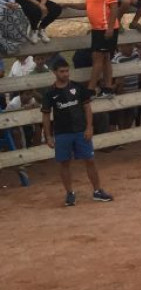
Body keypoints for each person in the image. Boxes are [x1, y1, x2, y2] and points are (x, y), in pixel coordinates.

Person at [43, 59, 113, 206]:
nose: (65, 74)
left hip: (80, 131)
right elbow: (46, 115)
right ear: (55, 73)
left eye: (67, 71)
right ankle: (69, 193)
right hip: (62, 133)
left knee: (90, 160)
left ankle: (97, 190)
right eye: (61, 71)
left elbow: (87, 107)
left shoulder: (77, 87)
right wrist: (48, 136)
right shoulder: (49, 93)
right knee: (64, 163)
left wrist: (89, 127)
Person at [84, 0, 119, 98]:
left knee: (98, 59)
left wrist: (110, 28)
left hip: (106, 28)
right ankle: (108, 88)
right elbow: (88, 5)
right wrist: (68, 5)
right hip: (96, 29)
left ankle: (91, 89)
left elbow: (114, 8)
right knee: (105, 59)